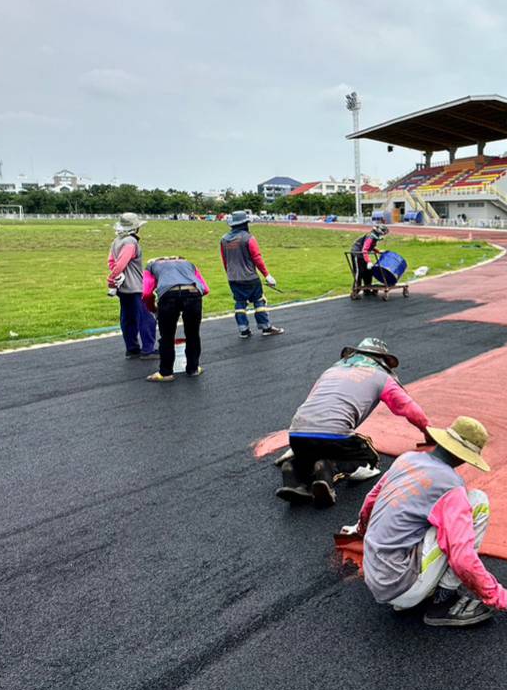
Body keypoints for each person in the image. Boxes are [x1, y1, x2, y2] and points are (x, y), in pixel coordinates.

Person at [338, 416, 507, 627]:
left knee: (426, 516)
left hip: (374, 573)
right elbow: (462, 557)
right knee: (478, 502)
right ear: (466, 456)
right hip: (400, 586)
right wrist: (501, 597)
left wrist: (360, 529)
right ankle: (443, 603)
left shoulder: (407, 459)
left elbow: (371, 501)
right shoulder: (450, 487)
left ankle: (418, 586)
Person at [275, 337, 430, 506]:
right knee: (369, 458)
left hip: (297, 433)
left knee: (310, 454)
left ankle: (292, 472)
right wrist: (427, 431)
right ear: (382, 360)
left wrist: (295, 446)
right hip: (335, 435)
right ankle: (329, 469)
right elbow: (409, 408)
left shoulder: (330, 371)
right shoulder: (381, 376)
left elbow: (313, 404)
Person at [141, 255, 210, 382]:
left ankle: (165, 373)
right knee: (193, 334)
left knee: (167, 336)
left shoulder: (151, 266)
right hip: (193, 293)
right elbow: (205, 289)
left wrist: (153, 308)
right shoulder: (189, 263)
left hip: (168, 296)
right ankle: (193, 368)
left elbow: (146, 293)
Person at [219, 210, 284, 338]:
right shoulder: (248, 238)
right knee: (259, 301)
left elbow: (224, 260)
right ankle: (266, 327)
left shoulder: (224, 240)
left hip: (233, 278)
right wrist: (267, 275)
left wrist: (230, 274)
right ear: (245, 223)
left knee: (240, 303)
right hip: (250, 277)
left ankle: (244, 330)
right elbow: (257, 258)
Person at [106, 212, 157, 359]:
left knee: (128, 318)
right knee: (145, 318)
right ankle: (148, 349)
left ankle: (132, 348)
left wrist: (115, 276)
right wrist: (113, 276)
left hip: (122, 287)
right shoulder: (131, 242)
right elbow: (122, 261)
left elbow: (112, 262)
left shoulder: (116, 241)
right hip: (135, 286)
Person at [349, 222, 389, 294]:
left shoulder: (374, 237)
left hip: (362, 254)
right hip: (357, 254)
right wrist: (369, 261)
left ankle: (367, 289)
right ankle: (355, 291)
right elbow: (365, 249)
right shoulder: (370, 237)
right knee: (359, 272)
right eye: (383, 234)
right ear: (379, 232)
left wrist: (378, 251)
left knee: (368, 272)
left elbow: (371, 246)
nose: (383, 236)